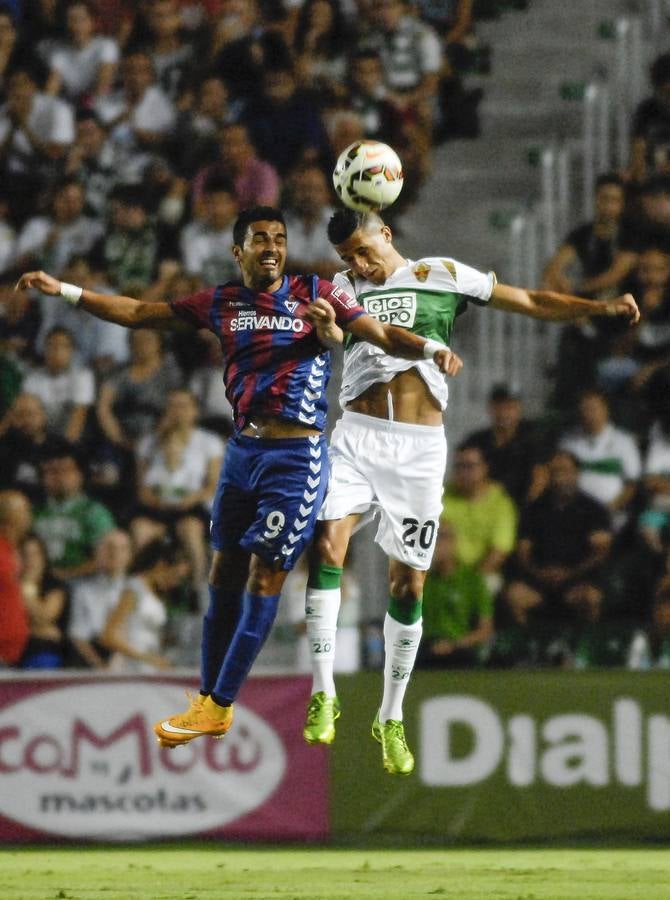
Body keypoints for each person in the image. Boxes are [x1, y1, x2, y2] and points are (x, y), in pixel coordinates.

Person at [16, 204, 461, 749]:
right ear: (238, 251)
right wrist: (65, 290)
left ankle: (222, 704)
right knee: (223, 571)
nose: (272, 246)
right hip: (243, 451)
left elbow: (377, 334)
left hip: (297, 458)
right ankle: (208, 699)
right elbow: (138, 312)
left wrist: (430, 346)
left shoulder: (317, 291)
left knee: (265, 576)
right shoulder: (222, 302)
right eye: (260, 239)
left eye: (279, 237)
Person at [300, 207, 639, 776]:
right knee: (327, 546)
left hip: (419, 449)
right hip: (356, 437)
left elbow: (529, 302)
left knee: (407, 584)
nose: (359, 264)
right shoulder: (341, 288)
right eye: (348, 258)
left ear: (385, 232)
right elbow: (334, 333)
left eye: (363, 250)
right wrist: (327, 330)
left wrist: (599, 309)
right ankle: (324, 691)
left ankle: (390, 716)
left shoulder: (443, 274)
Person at [417, 521, 493, 668]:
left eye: (441, 538)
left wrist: (453, 644)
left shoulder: (472, 580)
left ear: (453, 542)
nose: (436, 545)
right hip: (428, 648)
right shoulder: (423, 581)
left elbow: (485, 630)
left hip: (461, 648)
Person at [0, 490, 31, 667]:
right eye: (24, 510)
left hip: (14, 652)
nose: (29, 515)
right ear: (8, 516)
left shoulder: (14, 551)